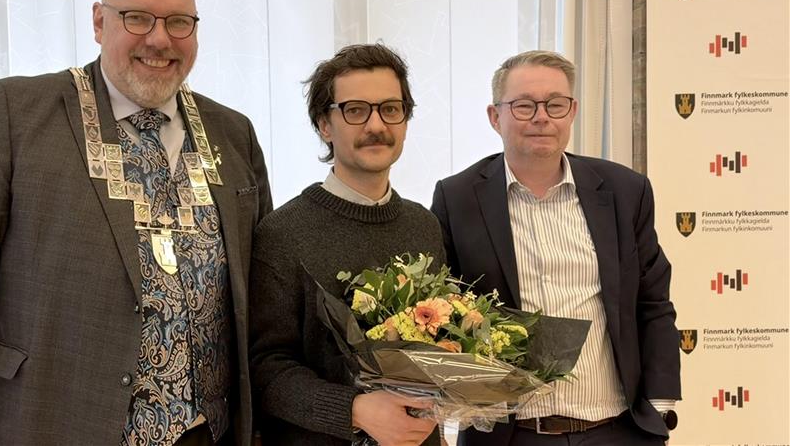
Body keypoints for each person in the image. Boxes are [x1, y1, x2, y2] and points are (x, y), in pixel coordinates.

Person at [0, 0, 272, 446]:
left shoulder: (234, 134)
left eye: (179, 22)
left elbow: (260, 304)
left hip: (207, 434)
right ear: (100, 22)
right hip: (53, 426)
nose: (160, 39)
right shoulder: (13, 115)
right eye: (137, 18)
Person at [431, 50, 680, 445]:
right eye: (524, 105)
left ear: (572, 111)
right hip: (510, 434)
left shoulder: (625, 190)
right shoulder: (457, 198)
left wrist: (659, 406)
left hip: (615, 430)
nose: (541, 117)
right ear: (495, 117)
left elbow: (653, 301)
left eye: (555, 104)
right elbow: (443, 312)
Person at [248, 44, 445, 446]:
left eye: (390, 109)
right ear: (324, 124)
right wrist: (354, 410)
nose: (376, 124)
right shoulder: (282, 232)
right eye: (355, 110)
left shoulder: (424, 226)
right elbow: (265, 369)